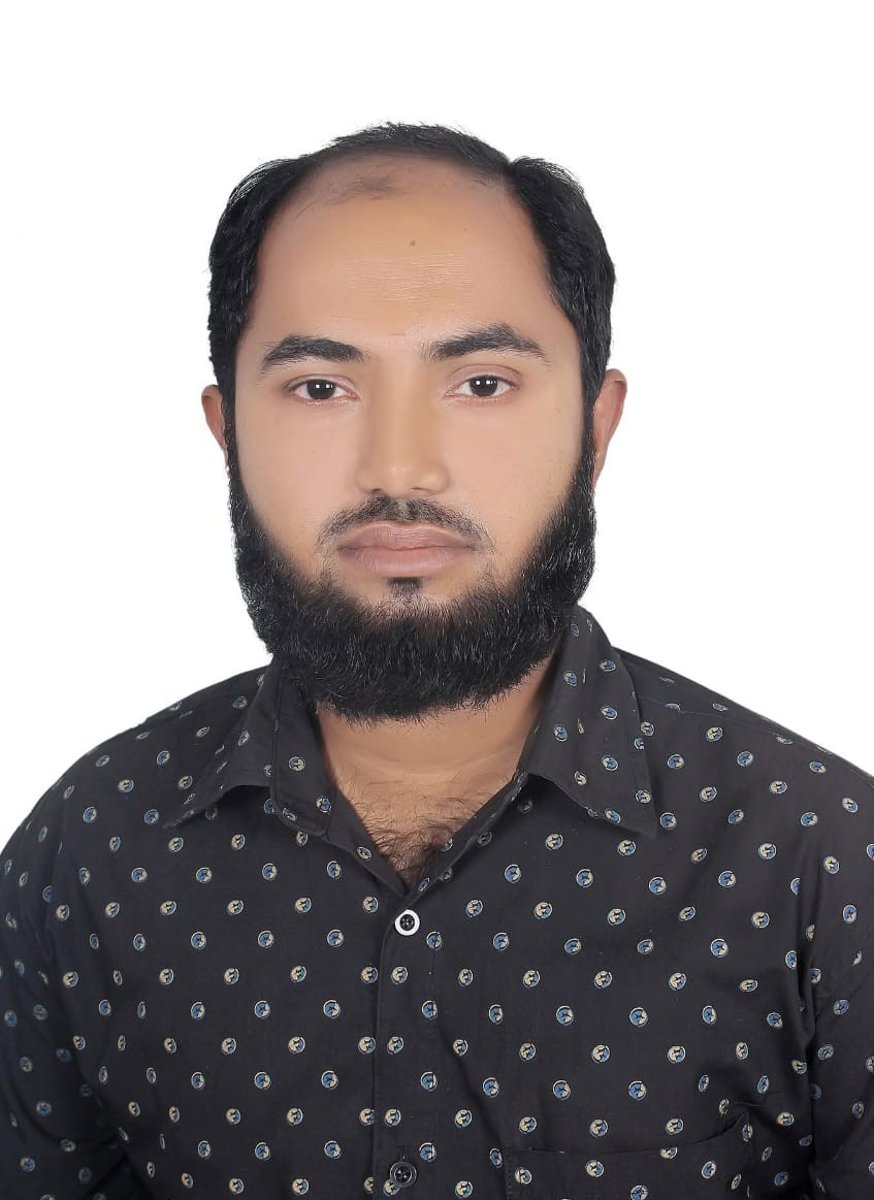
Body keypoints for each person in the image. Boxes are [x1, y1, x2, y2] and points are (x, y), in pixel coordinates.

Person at [1, 122, 871, 1200]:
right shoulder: (88, 851)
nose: (400, 468)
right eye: (320, 387)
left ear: (595, 426)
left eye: (483, 383)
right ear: (228, 430)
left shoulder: (822, 863)